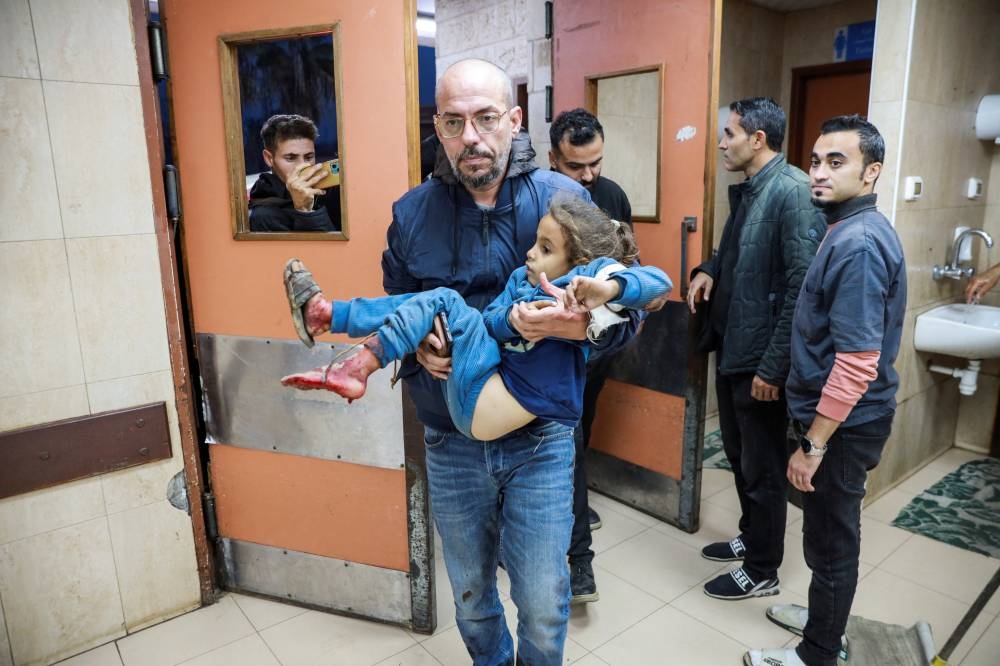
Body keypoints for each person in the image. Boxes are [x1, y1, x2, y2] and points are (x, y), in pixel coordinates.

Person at [381, 58, 642, 665]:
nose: (470, 137)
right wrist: (419, 348)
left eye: (485, 118)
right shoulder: (412, 214)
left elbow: (629, 309)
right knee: (471, 600)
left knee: (545, 600)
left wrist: (582, 329)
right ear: (439, 129)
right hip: (450, 437)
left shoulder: (564, 200)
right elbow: (398, 304)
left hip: (542, 441)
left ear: (514, 120)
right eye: (453, 122)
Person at [281, 196, 671, 442]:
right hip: (475, 391)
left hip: (501, 411)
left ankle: (350, 347)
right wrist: (514, 321)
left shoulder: (591, 284)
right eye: (535, 242)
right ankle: (329, 317)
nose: (531, 254)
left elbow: (659, 282)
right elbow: (488, 322)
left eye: (546, 248)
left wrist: (612, 289)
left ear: (581, 262)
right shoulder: (522, 280)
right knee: (433, 302)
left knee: (444, 300)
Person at [746, 115, 906, 666]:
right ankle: (824, 623)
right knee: (828, 538)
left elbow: (858, 363)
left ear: (871, 172)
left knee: (832, 546)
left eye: (836, 162)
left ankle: (817, 652)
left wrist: (812, 445)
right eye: (815, 160)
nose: (818, 172)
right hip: (843, 420)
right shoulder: (846, 228)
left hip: (842, 426)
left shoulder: (858, 243)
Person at [687, 97, 826, 601]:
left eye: (729, 133)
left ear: (758, 139)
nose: (722, 142)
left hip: (760, 363)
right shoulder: (753, 191)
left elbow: (802, 288)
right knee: (742, 456)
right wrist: (708, 268)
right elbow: (737, 252)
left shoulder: (791, 193)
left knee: (764, 467)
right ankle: (752, 538)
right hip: (735, 348)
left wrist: (773, 368)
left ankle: (764, 567)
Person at [548, 107, 650, 604]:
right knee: (561, 433)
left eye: (596, 164)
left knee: (579, 427)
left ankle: (569, 507)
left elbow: (633, 263)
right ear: (553, 159)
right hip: (549, 343)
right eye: (576, 167)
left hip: (598, 345)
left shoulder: (611, 196)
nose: (589, 176)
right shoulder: (538, 201)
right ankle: (571, 545)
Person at [248, 114, 340, 232]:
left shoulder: (327, 191)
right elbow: (326, 250)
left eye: (309, 157)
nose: (302, 166)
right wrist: (305, 211)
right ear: (269, 158)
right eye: (290, 158)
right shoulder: (263, 216)